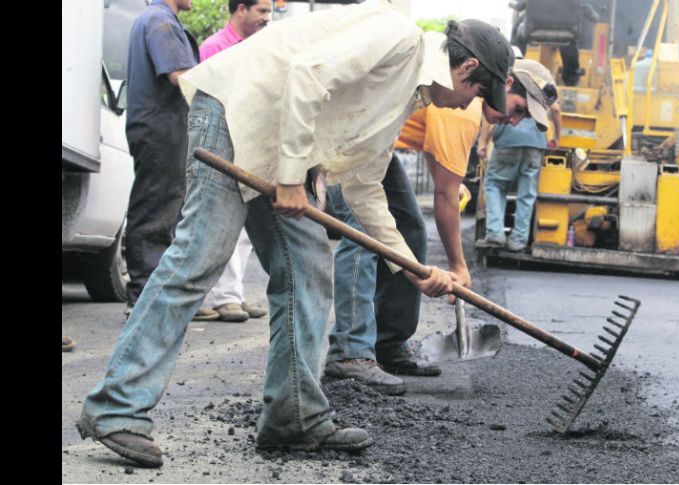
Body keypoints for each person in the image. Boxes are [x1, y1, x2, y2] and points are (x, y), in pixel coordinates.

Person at [76, 0, 514, 467]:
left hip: (279, 143)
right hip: (237, 116)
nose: (472, 105)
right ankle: (116, 407)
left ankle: (293, 416)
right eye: (477, 94)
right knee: (196, 260)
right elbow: (307, 75)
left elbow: (365, 186)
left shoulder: (406, 95)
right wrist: (289, 178)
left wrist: (411, 267)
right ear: (467, 67)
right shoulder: (398, 37)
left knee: (307, 268)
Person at [324, 94, 486, 395]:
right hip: (350, 134)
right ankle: (349, 352)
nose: (515, 120)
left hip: (375, 139)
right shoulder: (466, 112)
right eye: (518, 109)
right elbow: (444, 196)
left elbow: (433, 152)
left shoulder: (465, 108)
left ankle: (388, 341)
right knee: (362, 232)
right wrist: (458, 266)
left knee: (409, 227)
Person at [192, 0, 273, 323]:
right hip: (222, 145)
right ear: (241, 9)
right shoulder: (215, 47)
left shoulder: (259, 47)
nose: (267, 18)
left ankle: (232, 295)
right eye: (262, 11)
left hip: (250, 141)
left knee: (244, 229)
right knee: (220, 223)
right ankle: (222, 298)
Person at [122, 0, 199, 319]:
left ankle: (152, 297)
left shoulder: (157, 19)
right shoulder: (160, 21)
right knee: (156, 207)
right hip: (160, 127)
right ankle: (145, 300)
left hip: (162, 125)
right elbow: (181, 75)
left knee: (163, 206)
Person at [476, 59, 561, 252]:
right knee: (527, 194)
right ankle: (518, 240)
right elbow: (555, 109)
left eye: (526, 113)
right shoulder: (538, 86)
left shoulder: (506, 95)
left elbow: (490, 119)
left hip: (507, 142)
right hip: (536, 143)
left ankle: (495, 233)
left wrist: (482, 143)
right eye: (519, 110)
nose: (513, 121)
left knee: (495, 184)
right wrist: (556, 136)